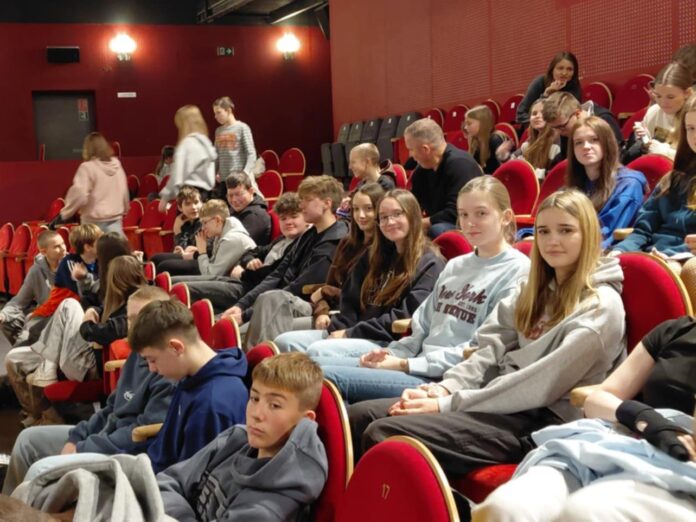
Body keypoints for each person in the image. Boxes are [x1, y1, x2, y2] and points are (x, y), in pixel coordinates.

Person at [348, 189, 627, 480]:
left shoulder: (600, 307)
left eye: (566, 230)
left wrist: (446, 405)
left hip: (545, 421)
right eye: (543, 231)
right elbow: (487, 348)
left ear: (589, 235)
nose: (552, 240)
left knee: (384, 432)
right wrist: (446, 387)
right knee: (361, 415)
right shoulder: (531, 290)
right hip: (496, 401)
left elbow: (538, 385)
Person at [313, 177, 530, 403]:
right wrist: (393, 353)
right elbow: (421, 326)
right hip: (416, 362)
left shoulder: (518, 271)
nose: (470, 222)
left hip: (445, 378)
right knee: (312, 367)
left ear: (506, 217)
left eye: (481, 213)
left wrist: (404, 364)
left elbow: (480, 350)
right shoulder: (456, 265)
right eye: (463, 214)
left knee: (323, 377)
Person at [473, 316, 696, 522]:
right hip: (620, 446)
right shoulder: (677, 331)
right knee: (505, 509)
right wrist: (643, 418)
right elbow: (597, 399)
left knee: (586, 512)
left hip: (679, 472)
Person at [2, 286, 175, 495]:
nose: (134, 327)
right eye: (130, 319)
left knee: (40, 470)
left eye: (141, 319)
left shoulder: (166, 369)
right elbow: (109, 408)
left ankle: (30, 509)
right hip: (102, 437)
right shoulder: (137, 355)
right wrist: (77, 437)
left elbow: (139, 435)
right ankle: (10, 506)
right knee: (27, 440)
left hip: (123, 454)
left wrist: (83, 447)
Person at [274, 189, 445, 360]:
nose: (390, 222)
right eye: (383, 217)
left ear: (412, 216)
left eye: (397, 214)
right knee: (284, 342)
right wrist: (340, 328)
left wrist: (350, 333)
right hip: (354, 331)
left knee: (319, 350)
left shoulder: (430, 263)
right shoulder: (374, 254)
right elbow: (350, 299)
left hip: (386, 340)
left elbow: (406, 316)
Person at [157, 352, 328, 522]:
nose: (256, 414)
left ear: (305, 421)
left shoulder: (271, 507)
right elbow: (168, 480)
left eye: (275, 405)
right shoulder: (235, 438)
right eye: (254, 398)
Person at [5, 256, 147, 427]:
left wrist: (87, 320)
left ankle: (48, 368)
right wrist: (92, 310)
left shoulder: (137, 307)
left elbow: (97, 332)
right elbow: (91, 304)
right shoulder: (120, 299)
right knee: (13, 359)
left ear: (117, 280)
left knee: (69, 304)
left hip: (88, 363)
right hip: (74, 353)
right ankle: (43, 414)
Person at [223, 175, 348, 348]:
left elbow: (300, 287)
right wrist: (241, 305)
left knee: (265, 305)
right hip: (282, 301)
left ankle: (257, 361)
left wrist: (245, 315)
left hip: (314, 306)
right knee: (234, 323)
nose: (301, 205)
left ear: (327, 203)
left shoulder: (336, 240)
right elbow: (276, 274)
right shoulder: (308, 235)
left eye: (307, 200)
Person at [129, 298, 248, 472]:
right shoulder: (191, 376)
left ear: (176, 348)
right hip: (154, 469)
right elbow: (164, 449)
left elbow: (189, 479)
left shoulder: (212, 404)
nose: (152, 369)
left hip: (164, 484)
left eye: (152, 359)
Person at [184, 192, 307, 313]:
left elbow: (273, 274)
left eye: (294, 216)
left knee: (186, 290)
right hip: (243, 281)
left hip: (253, 290)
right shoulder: (281, 239)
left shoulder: (301, 245)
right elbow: (253, 252)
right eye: (283, 218)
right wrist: (249, 260)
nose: (288, 222)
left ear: (306, 218)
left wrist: (242, 273)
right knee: (179, 283)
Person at [611, 94, 696, 257]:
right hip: (655, 255)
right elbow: (642, 230)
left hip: (686, 261)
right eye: (690, 128)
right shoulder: (672, 179)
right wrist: (619, 251)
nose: (694, 136)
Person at [564, 116, 647, 249]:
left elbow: (607, 233)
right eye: (578, 142)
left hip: (604, 253)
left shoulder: (629, 184)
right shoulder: (575, 184)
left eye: (594, 140)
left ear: (607, 143)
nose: (586, 147)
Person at [405, 118, 482, 238]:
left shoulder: (460, 165)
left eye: (411, 149)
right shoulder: (422, 169)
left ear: (425, 149)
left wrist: (422, 223)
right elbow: (412, 203)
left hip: (469, 224)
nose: (410, 155)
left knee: (437, 230)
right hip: (441, 222)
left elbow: (457, 213)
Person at [55, 132, 129, 235]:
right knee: (116, 245)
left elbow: (80, 194)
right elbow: (124, 191)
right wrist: (125, 209)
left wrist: (65, 213)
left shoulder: (87, 167)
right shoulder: (117, 166)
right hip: (115, 220)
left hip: (93, 223)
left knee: (93, 245)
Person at [0, 231, 66, 346]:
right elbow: (19, 301)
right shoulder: (36, 271)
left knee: (33, 326)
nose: (63, 248)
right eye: (57, 246)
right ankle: (27, 350)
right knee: (8, 322)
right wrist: (3, 315)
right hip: (44, 317)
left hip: (66, 318)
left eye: (63, 243)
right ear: (43, 252)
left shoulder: (71, 265)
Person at [622, 61, 693, 163]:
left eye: (670, 97)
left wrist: (666, 153)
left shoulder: (692, 116)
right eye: (658, 96)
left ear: (687, 93)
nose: (663, 103)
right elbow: (647, 152)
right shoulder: (654, 111)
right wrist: (645, 139)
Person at [167, 199, 256, 278]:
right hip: (221, 276)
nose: (203, 228)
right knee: (173, 277)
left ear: (217, 220)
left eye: (205, 222)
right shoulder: (221, 231)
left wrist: (202, 252)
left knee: (175, 281)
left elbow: (210, 275)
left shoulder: (231, 239)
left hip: (239, 282)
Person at [158, 105, 217, 210]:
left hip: (189, 195)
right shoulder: (206, 142)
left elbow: (178, 175)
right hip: (206, 194)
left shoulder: (187, 144)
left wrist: (165, 197)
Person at [543, 91, 623, 159]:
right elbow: (566, 157)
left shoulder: (604, 119)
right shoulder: (564, 126)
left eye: (562, 126)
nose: (559, 132)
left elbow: (616, 154)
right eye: (554, 128)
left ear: (577, 114)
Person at [497, 99, 562, 177]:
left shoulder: (557, 144)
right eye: (534, 113)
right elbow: (513, 167)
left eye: (543, 113)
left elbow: (554, 175)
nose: (537, 116)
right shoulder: (528, 143)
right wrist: (503, 155)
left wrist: (526, 169)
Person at [516, 52, 582, 128]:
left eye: (569, 69)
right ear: (552, 70)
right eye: (560, 68)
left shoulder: (575, 86)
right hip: (537, 129)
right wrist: (546, 95)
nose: (564, 73)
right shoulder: (540, 82)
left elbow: (573, 115)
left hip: (563, 129)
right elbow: (521, 114)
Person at [212, 96, 258, 198]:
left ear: (228, 110)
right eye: (214, 113)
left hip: (239, 180)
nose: (215, 116)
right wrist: (212, 175)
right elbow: (216, 157)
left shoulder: (242, 128)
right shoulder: (218, 131)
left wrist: (244, 174)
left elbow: (251, 154)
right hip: (224, 181)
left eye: (218, 112)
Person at [150, 186, 202, 275]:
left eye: (196, 202)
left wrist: (177, 231)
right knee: (155, 259)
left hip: (200, 259)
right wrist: (178, 232)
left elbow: (197, 250)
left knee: (164, 266)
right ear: (180, 208)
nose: (193, 207)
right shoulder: (184, 222)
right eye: (188, 204)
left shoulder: (204, 221)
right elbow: (181, 248)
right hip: (188, 256)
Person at [225, 172, 271, 245]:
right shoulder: (234, 210)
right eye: (230, 195)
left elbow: (235, 244)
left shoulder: (256, 216)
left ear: (251, 191)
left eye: (238, 194)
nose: (234, 200)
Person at [463, 105, 509, 174]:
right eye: (465, 124)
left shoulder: (495, 139)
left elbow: (504, 170)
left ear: (482, 123)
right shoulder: (475, 141)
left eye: (469, 124)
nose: (465, 127)